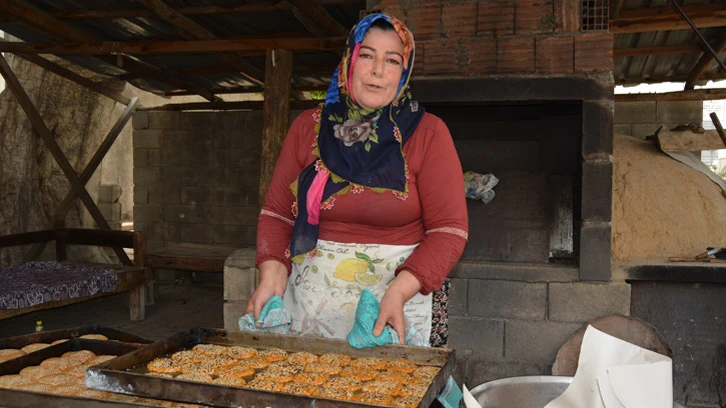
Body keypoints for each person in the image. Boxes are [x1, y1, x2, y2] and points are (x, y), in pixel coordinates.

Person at [246, 12, 468, 347]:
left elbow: (449, 230)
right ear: (349, 60)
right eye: (367, 55)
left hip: (396, 299)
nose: (378, 71)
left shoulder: (428, 134)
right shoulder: (309, 127)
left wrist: (400, 290)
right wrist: (271, 275)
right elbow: (278, 214)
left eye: (392, 60)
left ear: (403, 72)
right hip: (312, 303)